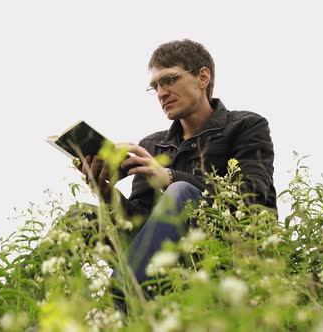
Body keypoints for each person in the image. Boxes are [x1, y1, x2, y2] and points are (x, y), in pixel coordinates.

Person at [80, 39, 277, 311]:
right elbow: (139, 225)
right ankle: (8, 312)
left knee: (180, 192)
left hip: (226, 251)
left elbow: (251, 193)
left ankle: (112, 311)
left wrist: (170, 177)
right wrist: (104, 191)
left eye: (169, 80)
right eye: (155, 86)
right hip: (156, 258)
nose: (161, 92)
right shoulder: (152, 144)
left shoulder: (247, 126)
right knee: (82, 216)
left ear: (202, 77)